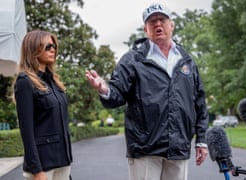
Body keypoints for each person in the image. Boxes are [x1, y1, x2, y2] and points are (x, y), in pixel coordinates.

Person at [85, 3, 209, 180]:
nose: (158, 24)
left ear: (171, 25)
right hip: (145, 148)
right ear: (146, 29)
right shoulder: (133, 60)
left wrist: (202, 140)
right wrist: (104, 89)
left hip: (179, 147)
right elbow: (116, 95)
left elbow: (199, 103)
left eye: (162, 20)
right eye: (152, 21)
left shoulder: (186, 60)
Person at [13, 30, 72, 180]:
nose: (53, 49)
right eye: (47, 46)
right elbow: (26, 131)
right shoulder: (24, 82)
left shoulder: (55, 83)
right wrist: (37, 171)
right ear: (33, 48)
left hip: (63, 162)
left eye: (54, 46)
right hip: (42, 167)